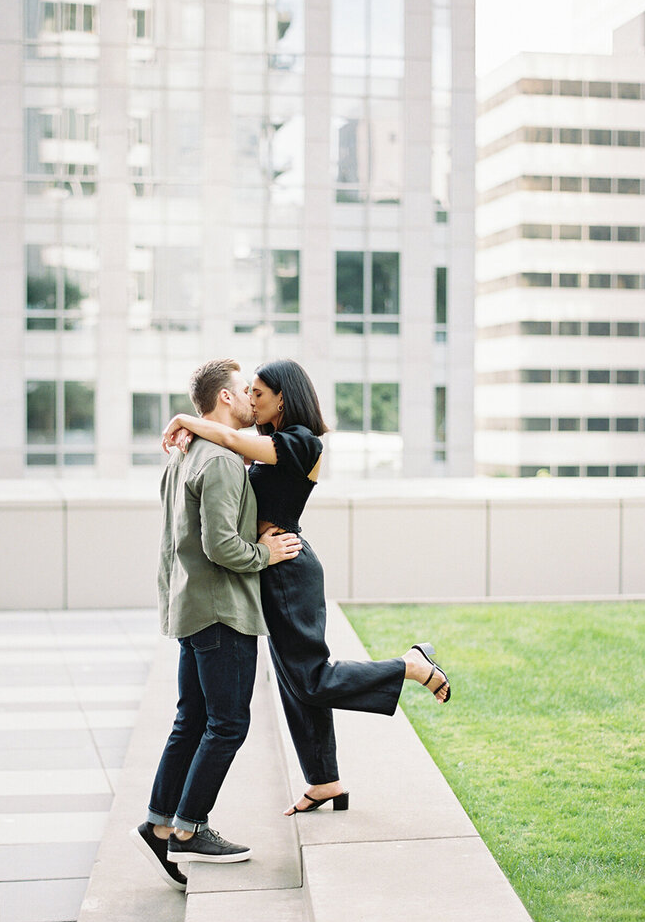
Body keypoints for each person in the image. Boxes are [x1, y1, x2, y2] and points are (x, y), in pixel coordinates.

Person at [161, 359, 451, 817]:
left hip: (288, 569)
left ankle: (409, 665)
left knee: (310, 679)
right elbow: (233, 452)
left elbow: (234, 441)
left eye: (258, 393)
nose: (251, 400)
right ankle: (324, 781)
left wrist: (184, 420)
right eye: (247, 391)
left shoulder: (301, 443)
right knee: (296, 683)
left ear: (282, 396)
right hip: (270, 567)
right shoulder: (270, 443)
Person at [130, 358, 302, 890]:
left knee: (192, 720)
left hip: (190, 607)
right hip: (222, 611)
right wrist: (265, 555)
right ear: (224, 399)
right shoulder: (223, 461)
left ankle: (161, 821)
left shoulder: (183, 458)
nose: (254, 401)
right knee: (227, 724)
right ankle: (189, 828)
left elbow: (171, 545)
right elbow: (221, 545)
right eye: (245, 393)